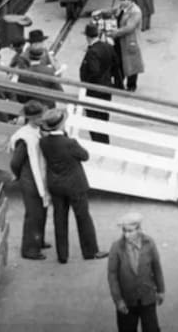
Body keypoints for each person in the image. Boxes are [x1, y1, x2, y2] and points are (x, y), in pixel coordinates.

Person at [38, 109, 108, 264]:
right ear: (61, 124)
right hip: (75, 184)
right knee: (83, 217)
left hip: (55, 184)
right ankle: (90, 251)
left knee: (59, 218)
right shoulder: (70, 143)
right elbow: (85, 156)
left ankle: (62, 255)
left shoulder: (43, 142)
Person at [107, 212, 164, 332]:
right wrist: (118, 300)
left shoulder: (149, 243)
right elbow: (112, 275)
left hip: (147, 297)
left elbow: (156, 267)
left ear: (139, 229)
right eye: (124, 231)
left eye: (130, 231)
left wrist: (161, 290)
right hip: (127, 300)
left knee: (151, 328)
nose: (126, 235)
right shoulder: (116, 247)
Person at [9, 101, 51, 260]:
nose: (42, 119)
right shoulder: (24, 137)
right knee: (34, 214)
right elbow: (15, 162)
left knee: (42, 211)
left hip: (38, 175)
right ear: (31, 118)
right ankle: (30, 249)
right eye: (39, 117)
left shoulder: (37, 130)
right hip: (30, 179)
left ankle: (38, 240)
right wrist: (20, 176)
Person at [81, 23, 121, 144]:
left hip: (94, 91)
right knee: (103, 119)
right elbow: (116, 65)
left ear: (87, 37)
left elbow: (94, 71)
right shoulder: (108, 47)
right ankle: (104, 143)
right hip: (107, 88)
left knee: (94, 121)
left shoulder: (92, 52)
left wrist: (86, 84)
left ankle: (100, 144)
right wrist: (115, 83)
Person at [111, 0, 146, 91]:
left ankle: (131, 85)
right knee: (118, 62)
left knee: (131, 63)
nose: (121, 2)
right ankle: (118, 83)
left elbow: (130, 27)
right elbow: (113, 11)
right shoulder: (121, 8)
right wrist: (102, 12)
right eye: (121, 0)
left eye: (124, 0)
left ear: (129, 0)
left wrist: (116, 32)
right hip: (120, 40)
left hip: (130, 41)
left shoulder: (135, 11)